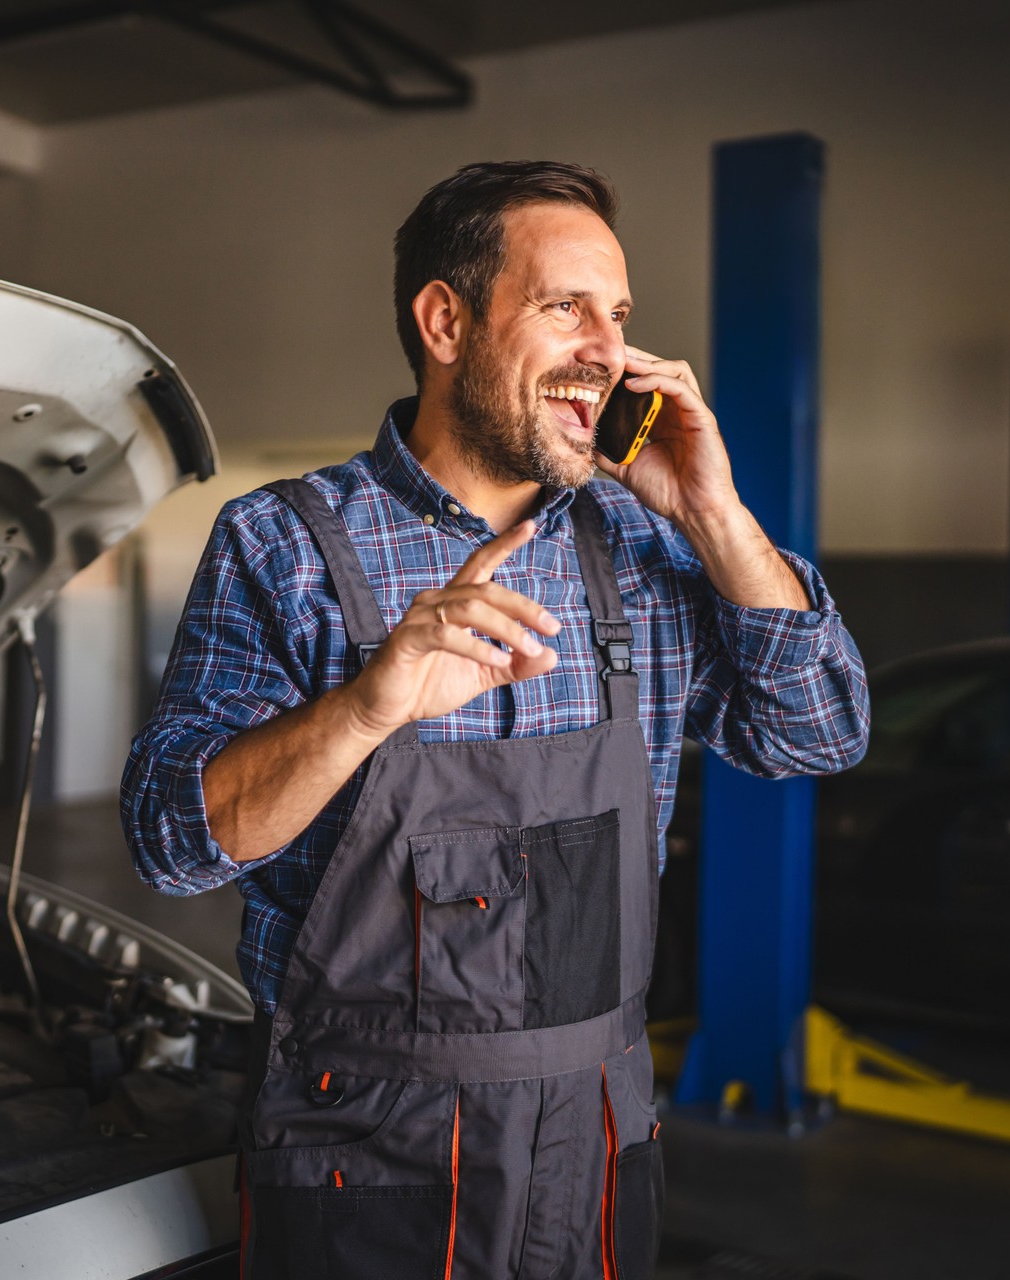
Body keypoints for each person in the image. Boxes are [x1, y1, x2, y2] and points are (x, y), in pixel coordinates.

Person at [122, 161, 869, 1279]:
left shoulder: (647, 544)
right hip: (365, 1149)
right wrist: (366, 706)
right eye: (566, 306)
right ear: (445, 321)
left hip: (597, 1137)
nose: (608, 350)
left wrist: (715, 511)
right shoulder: (282, 543)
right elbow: (172, 843)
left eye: (619, 315)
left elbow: (822, 729)